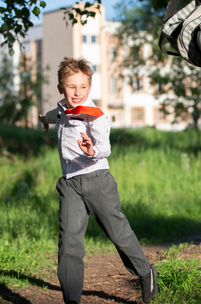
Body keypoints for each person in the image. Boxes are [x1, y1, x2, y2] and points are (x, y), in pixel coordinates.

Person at [38, 57, 157, 304]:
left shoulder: (95, 114)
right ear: (61, 88)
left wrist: (92, 150)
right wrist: (44, 120)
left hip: (97, 181)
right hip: (70, 184)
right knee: (68, 243)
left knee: (119, 234)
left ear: (90, 88)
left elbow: (105, 146)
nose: (77, 92)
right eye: (71, 87)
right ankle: (71, 299)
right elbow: (53, 115)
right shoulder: (61, 110)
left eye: (83, 87)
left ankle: (145, 272)